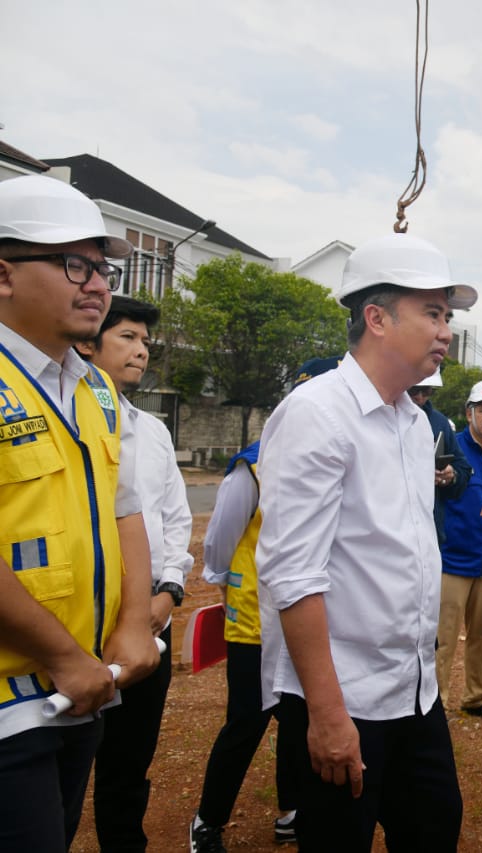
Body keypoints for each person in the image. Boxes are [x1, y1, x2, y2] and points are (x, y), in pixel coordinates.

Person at [255, 233, 477, 852]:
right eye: (432, 313)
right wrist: (328, 718)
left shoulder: (415, 421)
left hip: (413, 689)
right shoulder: (317, 414)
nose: (446, 331)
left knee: (435, 829)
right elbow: (293, 575)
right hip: (341, 696)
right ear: (376, 318)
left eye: (448, 316)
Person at [0, 174, 160, 851]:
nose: (97, 283)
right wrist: (66, 656)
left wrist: (132, 620)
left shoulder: (92, 387)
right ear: (4, 274)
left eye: (102, 267)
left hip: (82, 691)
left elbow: (125, 510)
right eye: (74, 264)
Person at [187, 357, 337, 853]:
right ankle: (208, 820)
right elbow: (222, 538)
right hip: (255, 619)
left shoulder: (335, 458)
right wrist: (223, 585)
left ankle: (291, 811)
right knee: (246, 721)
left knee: (298, 720)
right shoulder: (253, 463)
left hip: (308, 617)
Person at [74, 296, 194, 852]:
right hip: (77, 626)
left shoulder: (152, 431)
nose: (142, 350)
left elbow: (174, 519)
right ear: (87, 343)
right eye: (126, 337)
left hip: (148, 623)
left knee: (129, 760)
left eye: (146, 341)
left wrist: (167, 592)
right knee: (63, 763)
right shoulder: (64, 421)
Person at [436, 379, 482, 719]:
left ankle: (477, 697)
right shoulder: (453, 449)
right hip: (452, 559)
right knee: (442, 637)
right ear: (469, 413)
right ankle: (434, 700)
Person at [408, 370, 471, 545]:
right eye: (414, 390)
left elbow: (463, 470)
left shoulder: (438, 422)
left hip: (429, 534)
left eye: (427, 391)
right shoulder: (382, 418)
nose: (420, 397)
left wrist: (451, 476)